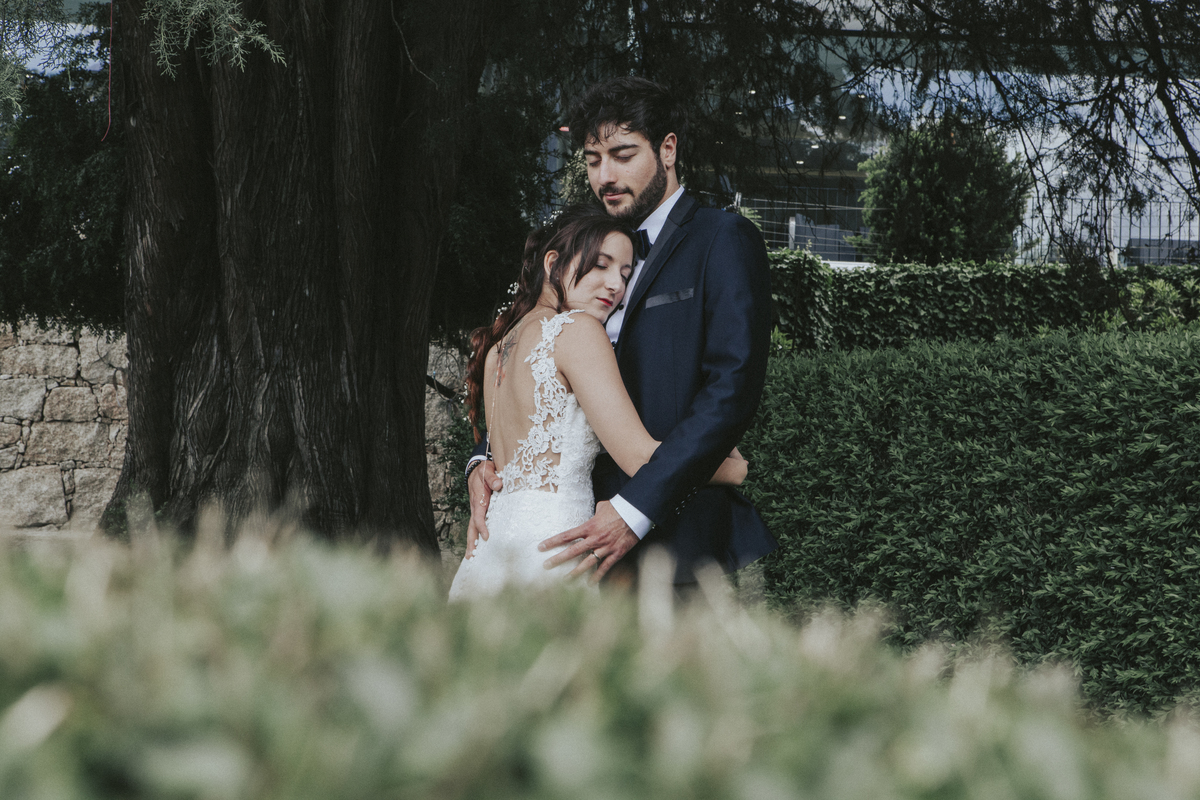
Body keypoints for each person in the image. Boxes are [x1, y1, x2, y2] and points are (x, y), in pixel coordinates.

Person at [466, 76, 776, 589]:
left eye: (623, 155)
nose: (605, 176)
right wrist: (484, 461)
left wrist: (635, 509)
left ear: (668, 150)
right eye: (592, 160)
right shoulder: (585, 248)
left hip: (674, 541)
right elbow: (529, 374)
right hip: (567, 537)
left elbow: (732, 387)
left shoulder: (722, 239)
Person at [448, 206, 748, 600]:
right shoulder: (577, 331)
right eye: (601, 266)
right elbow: (640, 459)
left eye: (625, 274)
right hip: (552, 551)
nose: (615, 286)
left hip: (491, 552)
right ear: (553, 263)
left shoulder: (497, 351)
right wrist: (732, 470)